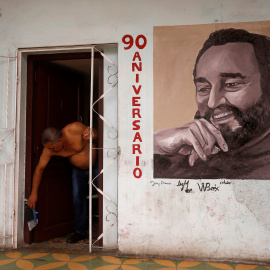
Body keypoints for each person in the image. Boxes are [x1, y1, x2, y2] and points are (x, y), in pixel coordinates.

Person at [154, 28, 270, 179]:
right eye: (204, 88)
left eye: (232, 84)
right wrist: (153, 143)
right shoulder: (175, 160)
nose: (212, 102)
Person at [27, 122, 98, 243]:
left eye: (52, 148)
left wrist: (92, 134)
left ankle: (111, 231)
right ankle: (79, 232)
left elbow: (97, 133)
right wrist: (33, 193)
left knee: (106, 194)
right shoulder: (49, 149)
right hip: (78, 170)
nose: (49, 151)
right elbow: (39, 169)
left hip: (97, 166)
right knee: (77, 199)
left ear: (60, 140)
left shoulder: (74, 129)